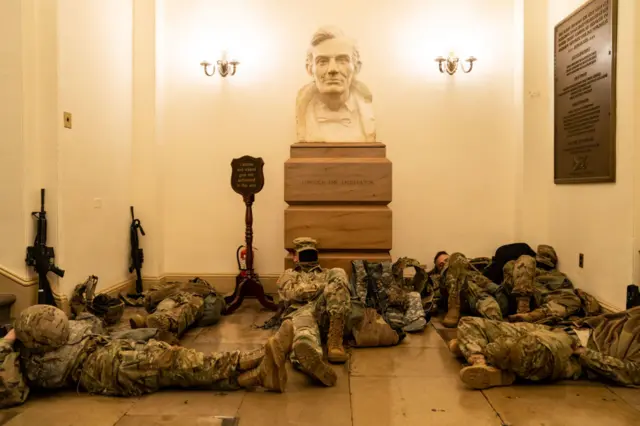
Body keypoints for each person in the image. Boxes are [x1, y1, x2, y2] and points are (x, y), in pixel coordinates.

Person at [0, 305, 294, 409]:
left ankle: (255, 373)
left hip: (105, 348)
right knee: (173, 364)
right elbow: (12, 392)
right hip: (103, 368)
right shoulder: (22, 362)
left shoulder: (51, 333)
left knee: (173, 356)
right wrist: (7, 344)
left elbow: (92, 323)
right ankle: (249, 360)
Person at [449, 307, 640, 390]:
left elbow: (632, 373)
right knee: (468, 322)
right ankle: (479, 360)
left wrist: (583, 353)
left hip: (574, 354)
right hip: (564, 331)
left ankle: (477, 348)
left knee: (506, 350)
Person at [277, 237, 351, 387]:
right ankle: (312, 362)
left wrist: (320, 289)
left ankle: (335, 342)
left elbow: (338, 289)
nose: (308, 257)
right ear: (295, 257)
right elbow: (292, 294)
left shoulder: (329, 273)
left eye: (310, 253)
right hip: (302, 312)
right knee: (304, 337)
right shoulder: (289, 274)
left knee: (339, 273)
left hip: (327, 314)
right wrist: (323, 287)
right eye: (304, 254)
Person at [296, 26, 375, 143]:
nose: (332, 69)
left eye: (342, 60)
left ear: (356, 67)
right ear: (309, 69)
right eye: (322, 61)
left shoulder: (364, 112)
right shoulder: (305, 111)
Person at [502, 245, 600, 322]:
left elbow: (566, 292)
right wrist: (530, 271)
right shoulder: (523, 263)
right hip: (521, 293)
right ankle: (523, 308)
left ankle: (533, 316)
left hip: (544, 299)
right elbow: (508, 273)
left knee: (574, 300)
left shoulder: (558, 275)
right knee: (525, 259)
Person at [438, 253, 507, 328]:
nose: (446, 264)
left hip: (494, 297)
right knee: (456, 256)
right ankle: (453, 305)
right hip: (470, 300)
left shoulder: (474, 270)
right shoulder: (439, 281)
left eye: (447, 260)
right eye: (441, 265)